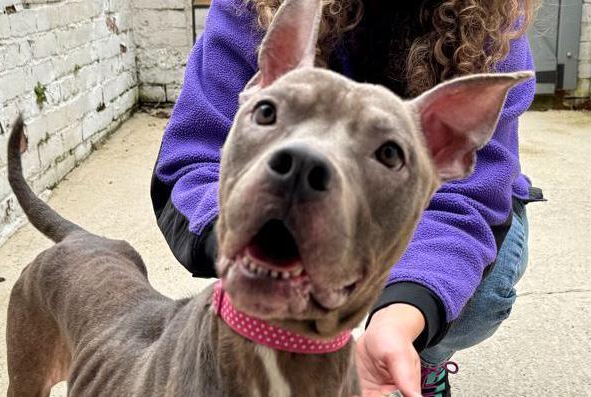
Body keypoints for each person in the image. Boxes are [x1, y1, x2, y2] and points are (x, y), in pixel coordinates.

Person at [150, 0, 541, 395]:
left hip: (406, 214)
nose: (304, 163)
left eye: (388, 152)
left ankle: (424, 360)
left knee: (478, 290)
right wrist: (250, 240)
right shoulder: (252, 7)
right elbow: (193, 156)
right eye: (269, 112)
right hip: (259, 197)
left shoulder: (493, 24)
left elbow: (469, 200)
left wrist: (401, 318)